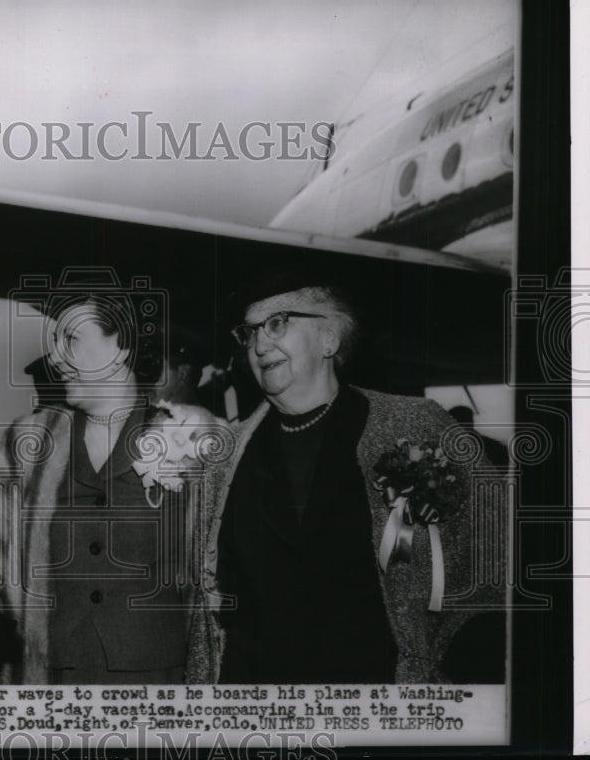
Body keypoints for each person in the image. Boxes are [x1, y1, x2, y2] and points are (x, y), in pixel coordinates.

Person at [185, 276, 505, 684]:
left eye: (277, 323)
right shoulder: (225, 459)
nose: (259, 345)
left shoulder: (415, 427)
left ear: (329, 339)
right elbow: (209, 614)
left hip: (380, 697)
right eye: (249, 332)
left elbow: (492, 560)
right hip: (259, 701)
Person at [0, 290, 222, 683]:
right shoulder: (28, 445)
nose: (54, 357)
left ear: (122, 346)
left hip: (159, 690)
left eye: (71, 339)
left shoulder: (191, 437)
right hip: (53, 686)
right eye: (55, 343)